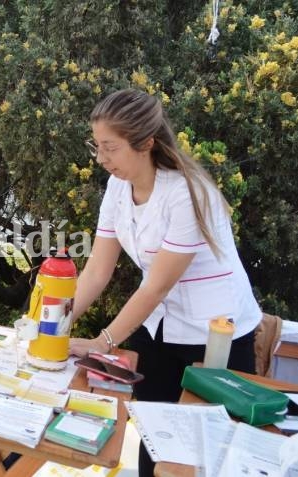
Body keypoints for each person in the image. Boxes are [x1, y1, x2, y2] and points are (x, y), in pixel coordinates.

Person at [68, 88, 261, 477]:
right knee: (156, 441)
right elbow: (97, 269)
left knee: (205, 455)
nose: (101, 159)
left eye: (110, 148)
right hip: (158, 327)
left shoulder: (187, 193)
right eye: (97, 146)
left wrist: (102, 342)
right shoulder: (117, 187)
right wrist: (55, 323)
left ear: (145, 144)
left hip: (217, 335)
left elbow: (155, 286)